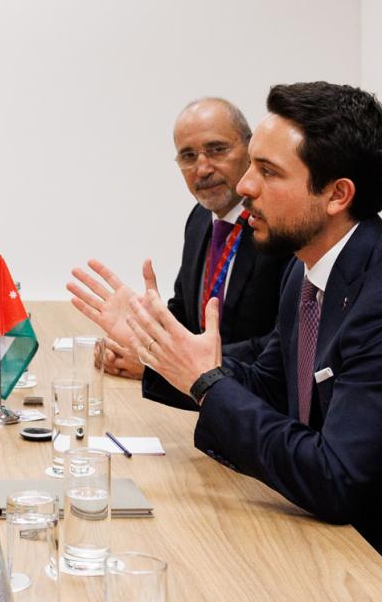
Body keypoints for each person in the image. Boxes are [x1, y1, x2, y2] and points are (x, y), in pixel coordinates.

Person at [69, 81, 382, 602]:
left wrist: (205, 382)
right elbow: (271, 384)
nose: (244, 186)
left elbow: (335, 479)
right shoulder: (309, 269)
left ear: (337, 195)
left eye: (267, 172)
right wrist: (162, 351)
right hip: (332, 541)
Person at [103, 98, 290, 409]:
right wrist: (143, 332)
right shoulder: (200, 219)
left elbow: (276, 346)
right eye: (188, 156)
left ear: (250, 149)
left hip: (258, 407)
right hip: (204, 407)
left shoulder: (278, 229)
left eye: (217, 149)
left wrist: (164, 365)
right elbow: (188, 312)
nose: (202, 168)